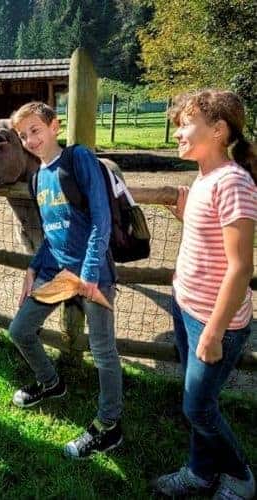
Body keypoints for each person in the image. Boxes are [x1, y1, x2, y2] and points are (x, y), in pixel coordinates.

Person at [153, 90, 256, 499]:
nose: (177, 132)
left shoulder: (233, 182)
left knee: (198, 407)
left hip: (216, 322)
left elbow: (240, 267)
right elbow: (209, 239)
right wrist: (186, 215)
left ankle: (242, 478)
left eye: (185, 124)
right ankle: (199, 473)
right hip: (187, 307)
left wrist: (213, 333)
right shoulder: (204, 177)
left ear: (217, 130)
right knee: (196, 400)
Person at [9, 102, 123, 459]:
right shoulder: (36, 177)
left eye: (35, 131)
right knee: (20, 330)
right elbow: (50, 234)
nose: (30, 140)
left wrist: (88, 274)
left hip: (92, 274)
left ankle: (109, 425)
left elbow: (100, 219)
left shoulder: (79, 159)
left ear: (54, 126)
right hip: (57, 272)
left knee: (103, 351)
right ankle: (51, 382)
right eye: (23, 135)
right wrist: (33, 266)